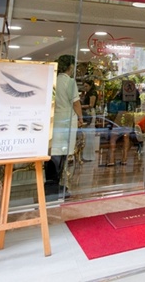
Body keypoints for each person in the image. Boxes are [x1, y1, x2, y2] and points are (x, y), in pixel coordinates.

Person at [47, 54, 84, 198]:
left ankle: (51, 183)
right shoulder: (69, 82)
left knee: (53, 151)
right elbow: (76, 103)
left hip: (53, 118)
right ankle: (56, 185)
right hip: (66, 119)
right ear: (70, 66)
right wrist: (81, 117)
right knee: (62, 152)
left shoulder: (53, 80)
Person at [80, 80, 98, 162]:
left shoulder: (92, 93)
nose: (85, 88)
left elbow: (91, 105)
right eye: (84, 86)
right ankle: (86, 155)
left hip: (89, 113)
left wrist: (81, 106)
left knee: (89, 134)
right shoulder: (88, 93)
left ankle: (89, 156)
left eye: (86, 86)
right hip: (87, 113)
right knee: (86, 134)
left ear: (90, 85)